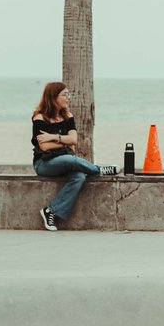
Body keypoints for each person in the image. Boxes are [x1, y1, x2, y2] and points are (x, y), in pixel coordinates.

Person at [31, 82, 117, 230]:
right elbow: (44, 147)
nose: (68, 98)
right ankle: (98, 170)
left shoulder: (68, 116)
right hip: (44, 164)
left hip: (65, 161)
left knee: (79, 177)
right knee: (69, 159)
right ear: (53, 97)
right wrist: (64, 142)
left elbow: (73, 140)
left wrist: (53, 137)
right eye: (64, 95)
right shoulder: (39, 118)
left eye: (68, 94)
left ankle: (50, 211)